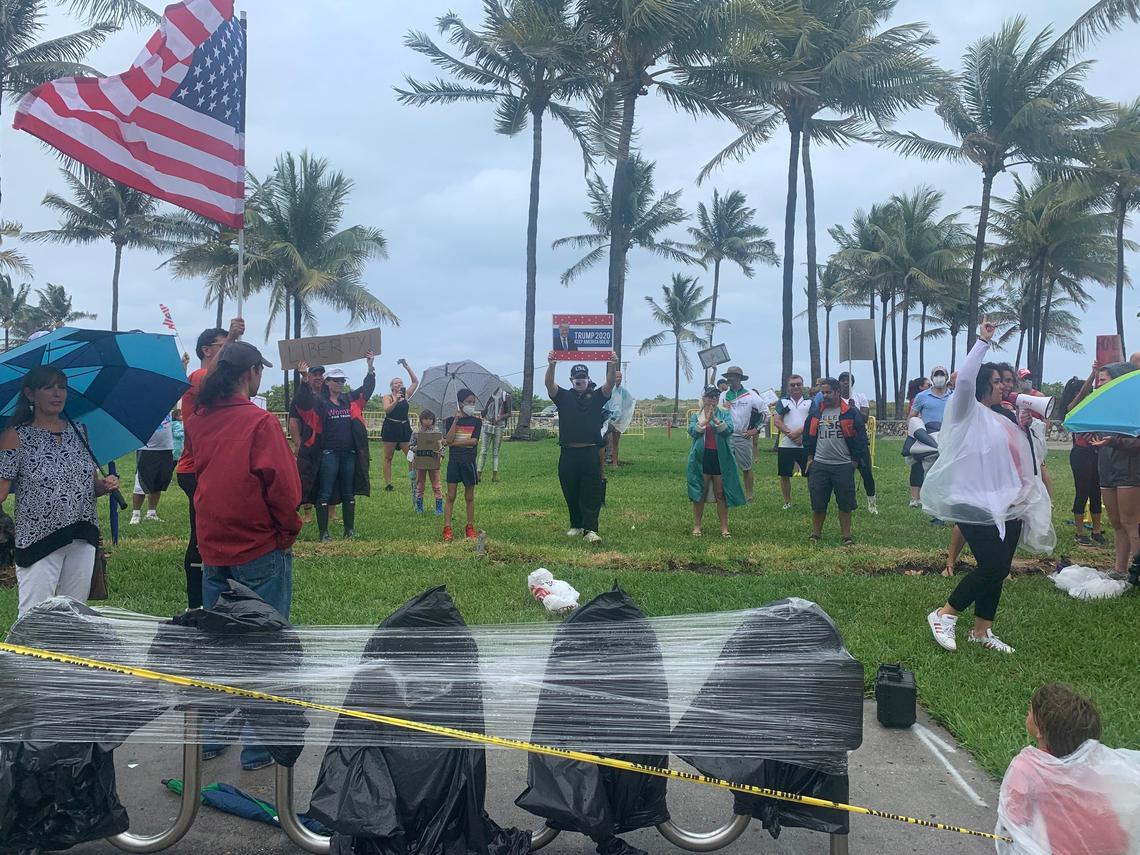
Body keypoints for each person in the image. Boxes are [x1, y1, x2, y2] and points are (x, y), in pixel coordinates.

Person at [190, 341, 300, 771]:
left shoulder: (200, 419)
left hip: (213, 543)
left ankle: (214, 735)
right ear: (252, 372)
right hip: (258, 545)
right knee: (266, 650)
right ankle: (259, 746)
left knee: (220, 646)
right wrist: (287, 531)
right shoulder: (259, 422)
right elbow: (284, 488)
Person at [924, 319, 1052, 655]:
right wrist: (983, 341)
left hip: (1006, 503)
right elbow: (964, 378)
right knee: (994, 565)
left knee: (1000, 568)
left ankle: (981, 631)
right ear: (983, 384)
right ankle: (944, 614)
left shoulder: (1002, 416)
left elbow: (1016, 457)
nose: (1003, 387)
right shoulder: (965, 410)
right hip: (972, 502)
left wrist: (1022, 426)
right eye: (996, 382)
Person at [0, 366, 119, 617]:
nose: (57, 394)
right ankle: (29, 658)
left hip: (82, 534)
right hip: (38, 539)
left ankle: (67, 656)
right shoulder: (15, 436)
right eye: (48, 387)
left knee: (74, 615)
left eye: (62, 387)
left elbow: (89, 485)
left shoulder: (79, 431)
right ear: (30, 394)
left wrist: (104, 485)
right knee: (34, 615)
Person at [996, 683, 1140, 855]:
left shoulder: (1028, 766)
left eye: (1030, 711)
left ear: (1041, 731)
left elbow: (1012, 818)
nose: (1028, 712)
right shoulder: (1095, 767)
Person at [176, 318, 244, 614]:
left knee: (214, 533)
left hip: (211, 465)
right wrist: (231, 338)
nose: (228, 352)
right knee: (201, 536)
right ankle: (196, 603)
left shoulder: (220, 383)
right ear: (206, 350)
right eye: (221, 347)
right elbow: (215, 378)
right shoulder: (198, 375)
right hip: (195, 468)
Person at [295, 357, 376, 542]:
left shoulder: (350, 400)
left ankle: (349, 530)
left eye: (342, 380)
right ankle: (323, 532)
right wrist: (304, 378)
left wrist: (370, 368)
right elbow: (302, 402)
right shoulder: (318, 402)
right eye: (336, 380)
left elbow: (366, 391)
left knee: (349, 492)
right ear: (327, 382)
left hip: (349, 454)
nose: (340, 383)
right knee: (324, 492)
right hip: (327, 455)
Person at [545, 355, 619, 544]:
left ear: (588, 379)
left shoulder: (596, 397)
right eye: (577, 377)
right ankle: (576, 524)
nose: (580, 380)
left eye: (583, 377)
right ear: (571, 380)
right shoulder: (563, 397)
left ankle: (591, 529)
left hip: (590, 452)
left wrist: (612, 364)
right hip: (568, 453)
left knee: (591, 492)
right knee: (570, 490)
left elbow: (610, 384)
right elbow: (549, 384)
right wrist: (551, 365)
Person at [1088, 362, 1140, 582]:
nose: (1098, 384)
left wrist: (1115, 442)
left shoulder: (1132, 406)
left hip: (1129, 471)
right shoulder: (1100, 406)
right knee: (1117, 523)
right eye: (1098, 380)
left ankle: (1137, 571)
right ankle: (1120, 569)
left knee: (1131, 523)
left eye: (1103, 380)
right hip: (1106, 469)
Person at [803, 377, 869, 545]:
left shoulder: (850, 412)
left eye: (828, 392)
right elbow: (808, 436)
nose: (825, 395)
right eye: (822, 392)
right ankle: (816, 534)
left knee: (845, 504)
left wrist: (854, 461)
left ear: (838, 392)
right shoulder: (817, 412)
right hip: (820, 464)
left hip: (843, 465)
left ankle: (846, 536)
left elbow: (861, 438)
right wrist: (810, 457)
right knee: (818, 503)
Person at [687, 386, 745, 537]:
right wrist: (705, 421)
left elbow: (728, 431)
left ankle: (724, 528)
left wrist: (715, 420)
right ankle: (697, 526)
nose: (713, 400)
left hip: (720, 458)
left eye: (716, 397)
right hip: (702, 458)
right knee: (700, 491)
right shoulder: (696, 416)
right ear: (704, 398)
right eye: (710, 396)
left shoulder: (724, 414)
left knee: (721, 493)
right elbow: (693, 431)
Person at [1059, 373, 1105, 547]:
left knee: (1096, 492)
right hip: (1081, 454)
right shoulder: (1072, 409)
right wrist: (1094, 374)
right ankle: (1079, 532)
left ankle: (1096, 530)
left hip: (1095, 453)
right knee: (1082, 492)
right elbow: (1082, 394)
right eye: (1082, 392)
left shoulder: (1091, 407)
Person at [718, 366, 765, 501]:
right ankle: (727, 493)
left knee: (746, 467)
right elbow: (717, 413)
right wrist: (723, 408)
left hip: (743, 436)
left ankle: (749, 495)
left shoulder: (750, 394)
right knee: (725, 467)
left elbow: (765, 413)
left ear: (739, 378)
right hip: (726, 436)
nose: (729, 379)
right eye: (728, 377)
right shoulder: (723, 395)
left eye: (731, 376)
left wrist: (755, 429)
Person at [288, 365, 326, 524]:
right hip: (307, 444)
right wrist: (298, 442)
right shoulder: (301, 395)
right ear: (309, 377)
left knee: (325, 477)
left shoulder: (327, 393)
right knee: (305, 478)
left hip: (325, 444)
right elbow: (294, 420)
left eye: (320, 375)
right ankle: (307, 513)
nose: (318, 377)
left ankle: (330, 512)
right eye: (314, 374)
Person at [442, 389, 482, 542]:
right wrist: (455, 421)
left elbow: (473, 441)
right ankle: (447, 528)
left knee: (469, 496)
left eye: (473, 402)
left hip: (469, 462)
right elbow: (448, 438)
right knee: (451, 496)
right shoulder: (450, 420)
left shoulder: (477, 421)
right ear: (460, 404)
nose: (471, 405)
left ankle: (470, 526)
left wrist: (454, 444)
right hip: (454, 462)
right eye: (468, 402)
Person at [837, 371, 876, 514]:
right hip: (843, 442)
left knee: (867, 473)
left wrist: (853, 408)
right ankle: (849, 502)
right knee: (847, 475)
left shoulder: (860, 397)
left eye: (848, 380)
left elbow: (864, 418)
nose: (845, 382)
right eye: (842, 380)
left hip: (859, 441)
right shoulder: (836, 400)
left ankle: (872, 503)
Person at [773, 375, 812, 510]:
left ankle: (814, 501)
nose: (796, 387)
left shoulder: (810, 402)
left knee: (810, 474)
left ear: (803, 385)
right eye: (792, 385)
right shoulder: (783, 402)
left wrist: (799, 435)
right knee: (784, 474)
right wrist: (791, 435)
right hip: (786, 444)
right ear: (788, 386)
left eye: (798, 384)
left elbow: (812, 421)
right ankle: (787, 502)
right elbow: (777, 421)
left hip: (805, 444)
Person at [381, 359, 419, 491]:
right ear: (392, 386)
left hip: (404, 428)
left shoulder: (406, 395)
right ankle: (388, 483)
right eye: (396, 383)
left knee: (410, 455)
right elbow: (387, 410)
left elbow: (415, 382)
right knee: (388, 457)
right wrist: (396, 400)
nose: (399, 384)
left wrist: (407, 367)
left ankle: (413, 479)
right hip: (391, 428)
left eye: (401, 383)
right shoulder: (388, 397)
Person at [130, 412, 175, 524]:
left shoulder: (168, 405)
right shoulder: (146, 406)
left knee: (158, 481)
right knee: (141, 483)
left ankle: (151, 513)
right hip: (146, 448)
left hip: (165, 448)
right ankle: (136, 514)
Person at [410, 409, 444, 515]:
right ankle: (419, 508)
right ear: (421, 420)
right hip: (420, 462)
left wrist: (441, 454)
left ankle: (439, 508)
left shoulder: (437, 433)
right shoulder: (416, 433)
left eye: (430, 419)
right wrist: (417, 448)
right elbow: (410, 446)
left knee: (436, 485)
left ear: (433, 420)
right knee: (419, 484)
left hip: (433, 461)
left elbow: (441, 447)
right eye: (425, 419)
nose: (428, 421)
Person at [477, 386, 511, 483]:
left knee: (495, 452)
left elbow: (509, 413)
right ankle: (478, 475)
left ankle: (494, 476)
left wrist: (500, 417)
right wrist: (488, 401)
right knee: (483, 451)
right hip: (487, 424)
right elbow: (483, 414)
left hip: (499, 426)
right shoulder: (487, 395)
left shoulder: (505, 396)